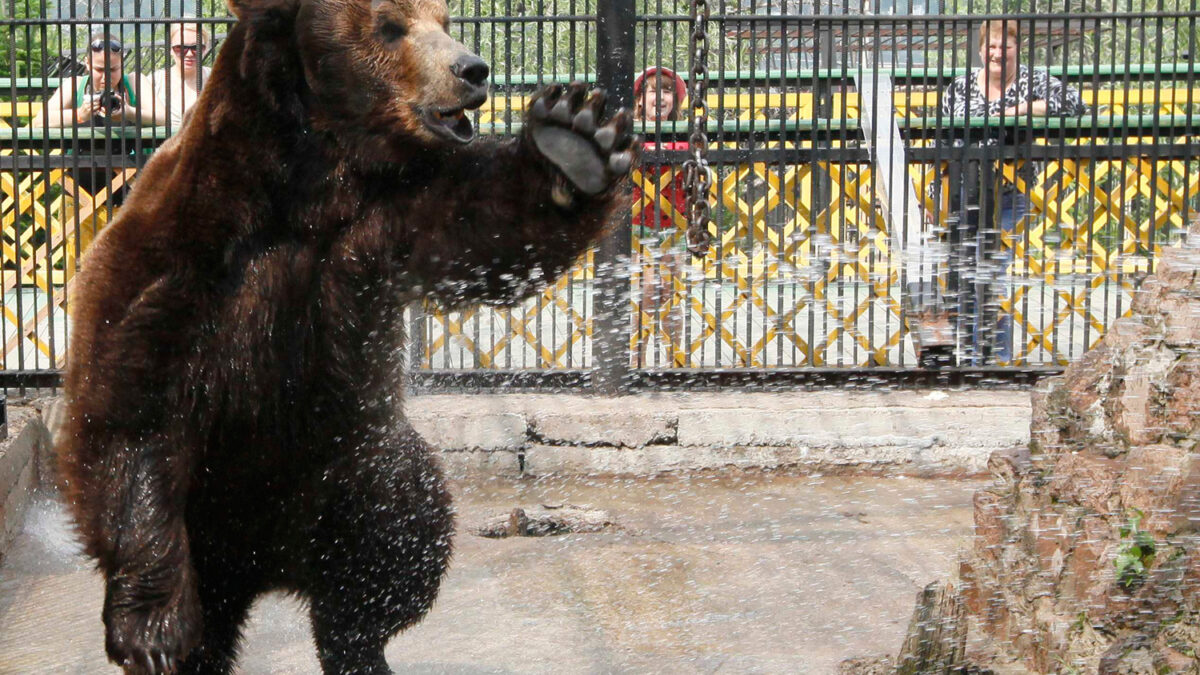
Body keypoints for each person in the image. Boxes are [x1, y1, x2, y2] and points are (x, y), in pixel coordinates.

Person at [930, 19, 1086, 364]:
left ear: (1018, 49)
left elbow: (1076, 105)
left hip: (1009, 192)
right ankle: (967, 357)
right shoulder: (959, 87)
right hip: (962, 191)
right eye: (993, 46)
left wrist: (1023, 109)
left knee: (993, 273)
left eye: (1007, 46)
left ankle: (994, 359)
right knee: (963, 274)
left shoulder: (1033, 81)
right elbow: (940, 145)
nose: (999, 53)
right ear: (982, 50)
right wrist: (933, 195)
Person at [28, 32, 150, 267]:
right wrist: (79, 114)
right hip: (78, 196)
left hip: (129, 195)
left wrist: (128, 112)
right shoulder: (74, 85)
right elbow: (38, 121)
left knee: (127, 273)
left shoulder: (134, 82)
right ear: (87, 64)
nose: (106, 77)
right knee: (80, 272)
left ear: (122, 65)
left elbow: (164, 116)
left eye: (113, 70)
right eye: (99, 70)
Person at [631, 65, 690, 367]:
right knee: (645, 292)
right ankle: (635, 360)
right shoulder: (630, 134)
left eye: (668, 91)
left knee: (672, 293)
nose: (661, 97)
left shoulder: (682, 138)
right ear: (641, 99)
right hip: (637, 226)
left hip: (673, 227)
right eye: (654, 90)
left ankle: (673, 360)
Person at [143, 22, 211, 132]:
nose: (189, 54)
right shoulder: (154, 82)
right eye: (180, 48)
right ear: (169, 49)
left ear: (206, 48)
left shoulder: (216, 79)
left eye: (196, 47)